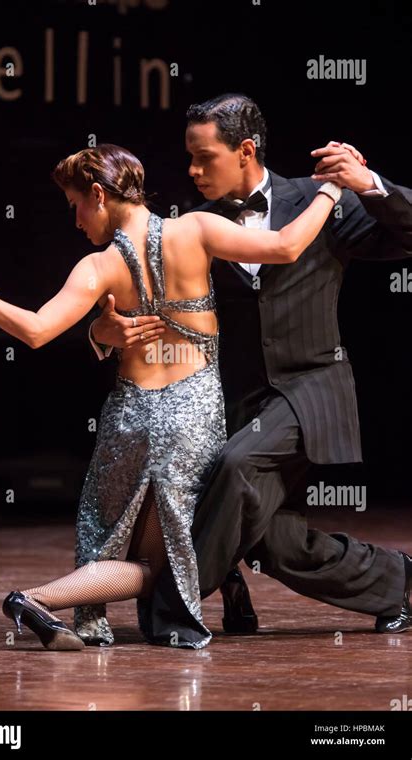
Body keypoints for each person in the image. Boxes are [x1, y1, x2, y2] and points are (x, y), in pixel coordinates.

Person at [0, 143, 341, 649]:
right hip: (189, 417)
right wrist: (332, 190)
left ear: (98, 194)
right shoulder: (195, 229)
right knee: (166, 558)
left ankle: (214, 592)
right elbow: (287, 246)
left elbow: (37, 331)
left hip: (129, 419)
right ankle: (35, 600)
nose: (76, 221)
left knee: (115, 537)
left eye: (76, 207)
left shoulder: (97, 266)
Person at [87, 94, 412, 645]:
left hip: (311, 391)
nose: (191, 170)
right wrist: (103, 333)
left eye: (203, 157)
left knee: (238, 469)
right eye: (188, 157)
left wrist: (367, 181)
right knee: (272, 537)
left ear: (245, 150)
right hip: (235, 401)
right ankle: (396, 582)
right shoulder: (192, 226)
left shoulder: (317, 199)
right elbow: (136, 296)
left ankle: (172, 609)